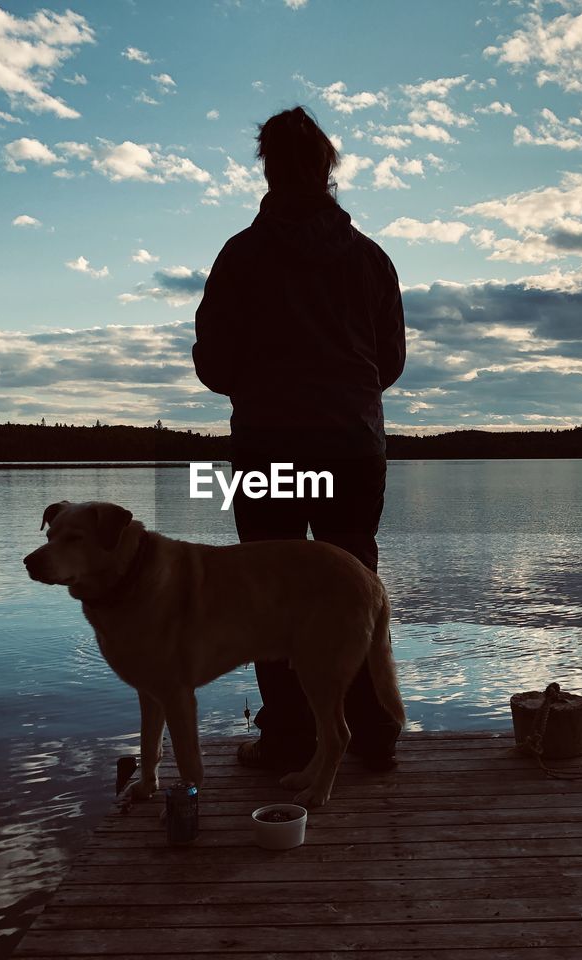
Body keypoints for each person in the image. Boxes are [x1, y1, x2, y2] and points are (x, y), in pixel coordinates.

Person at [192, 105, 406, 773]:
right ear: (327, 169)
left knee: (268, 594)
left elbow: (214, 365)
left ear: (269, 169)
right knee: (353, 584)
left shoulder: (241, 256)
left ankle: (288, 737)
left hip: (270, 446)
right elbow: (389, 362)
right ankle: (371, 735)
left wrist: (263, 383)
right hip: (351, 447)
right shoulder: (370, 260)